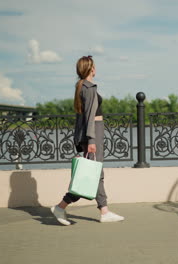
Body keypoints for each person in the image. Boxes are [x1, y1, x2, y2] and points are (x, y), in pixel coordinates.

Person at [51, 55, 124, 225]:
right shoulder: (89, 88)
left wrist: (80, 139)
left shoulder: (80, 86)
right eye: (95, 66)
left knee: (95, 173)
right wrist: (91, 140)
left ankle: (103, 211)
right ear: (91, 69)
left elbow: (81, 117)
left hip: (89, 134)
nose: (96, 69)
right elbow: (90, 116)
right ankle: (61, 206)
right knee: (91, 173)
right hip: (93, 134)